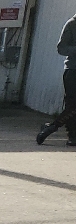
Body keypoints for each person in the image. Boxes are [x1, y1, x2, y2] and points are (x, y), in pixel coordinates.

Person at [37, 10, 76, 147]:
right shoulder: (72, 24)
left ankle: (51, 127)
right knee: (72, 105)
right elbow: (61, 48)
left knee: (72, 106)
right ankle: (71, 135)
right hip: (73, 70)